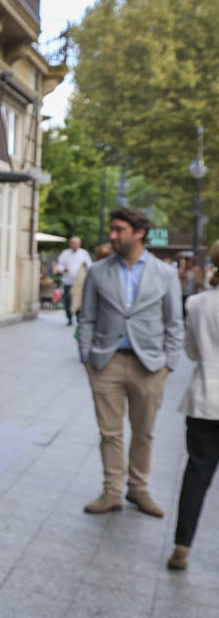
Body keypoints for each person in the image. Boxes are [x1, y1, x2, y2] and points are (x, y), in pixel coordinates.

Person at [77, 207, 183, 518]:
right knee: (110, 433)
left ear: (139, 233)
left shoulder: (164, 274)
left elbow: (175, 322)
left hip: (149, 366)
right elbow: (87, 318)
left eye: (119, 229)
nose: (113, 235)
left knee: (144, 431)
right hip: (107, 363)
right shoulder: (98, 271)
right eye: (112, 229)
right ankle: (111, 492)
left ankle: (138, 488)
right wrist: (88, 357)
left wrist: (168, 364)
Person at [171, 240, 219, 570]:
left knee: (197, 475)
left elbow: (191, 352)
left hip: (205, 397)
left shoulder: (199, 303)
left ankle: (181, 546)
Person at [56, 236, 92, 325]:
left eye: (76, 243)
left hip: (79, 283)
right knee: (68, 301)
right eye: (73, 243)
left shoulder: (84, 253)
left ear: (79, 244)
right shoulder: (65, 253)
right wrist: (64, 269)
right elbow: (59, 265)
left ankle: (78, 316)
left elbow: (90, 265)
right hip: (68, 281)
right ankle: (69, 318)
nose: (74, 245)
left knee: (79, 300)